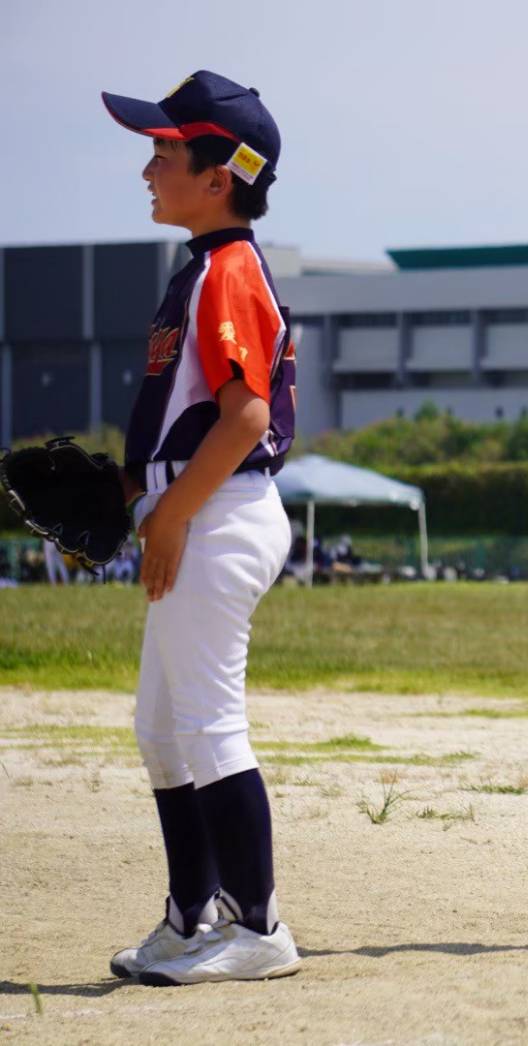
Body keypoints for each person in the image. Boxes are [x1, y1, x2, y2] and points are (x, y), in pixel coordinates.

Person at [100, 70, 300, 985]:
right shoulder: (204, 269)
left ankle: (259, 930)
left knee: (208, 726)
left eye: (165, 153)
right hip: (196, 506)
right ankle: (193, 916)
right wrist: (134, 495)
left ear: (218, 177)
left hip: (217, 511)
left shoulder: (227, 271)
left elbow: (245, 418)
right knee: (161, 728)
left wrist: (172, 514)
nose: (149, 169)